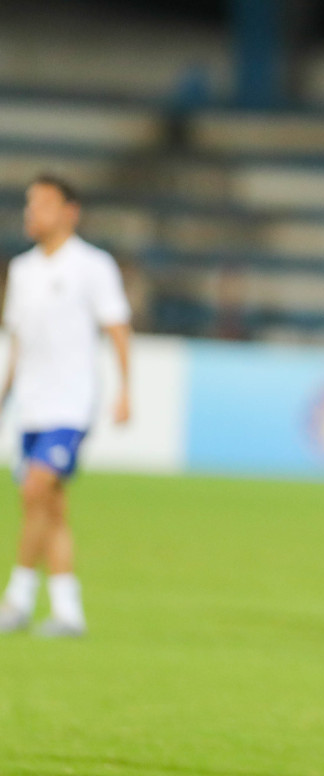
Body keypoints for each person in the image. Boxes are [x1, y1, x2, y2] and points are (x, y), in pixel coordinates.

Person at [0, 175, 131, 638]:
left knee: (35, 490)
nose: (32, 212)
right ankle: (68, 611)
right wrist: (6, 392)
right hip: (32, 405)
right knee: (50, 506)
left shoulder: (93, 266)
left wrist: (125, 389)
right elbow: (17, 341)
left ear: (69, 212)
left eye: (44, 204)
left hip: (71, 403)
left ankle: (15, 599)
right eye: (29, 204)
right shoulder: (20, 270)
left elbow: (117, 326)